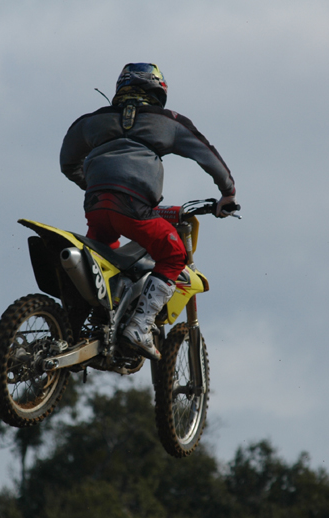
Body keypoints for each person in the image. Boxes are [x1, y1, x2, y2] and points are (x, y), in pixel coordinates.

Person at [59, 63, 236, 360]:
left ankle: (95, 324)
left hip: (97, 206)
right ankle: (139, 327)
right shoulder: (168, 122)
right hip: (134, 206)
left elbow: (67, 162)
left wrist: (96, 186)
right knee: (174, 254)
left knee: (105, 255)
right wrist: (227, 192)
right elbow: (206, 154)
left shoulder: (92, 121)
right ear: (158, 91)